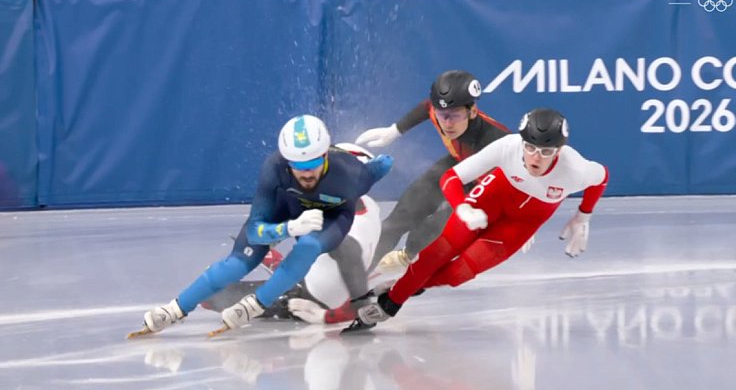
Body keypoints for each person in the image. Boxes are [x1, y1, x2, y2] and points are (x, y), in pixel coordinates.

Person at [347, 108, 609, 330]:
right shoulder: (507, 148)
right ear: (521, 142)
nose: (535, 158)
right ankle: (388, 306)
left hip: (522, 223)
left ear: (559, 151)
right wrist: (461, 208)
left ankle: (402, 284)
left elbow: (602, 177)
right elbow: (450, 178)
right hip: (492, 199)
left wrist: (583, 216)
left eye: (545, 151)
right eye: (529, 147)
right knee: (436, 253)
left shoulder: (575, 169)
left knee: (458, 274)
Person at [131, 115, 393, 337]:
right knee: (236, 263)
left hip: (330, 217)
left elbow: (378, 169)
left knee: (309, 246)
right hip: (287, 210)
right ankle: (174, 309)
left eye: (313, 164)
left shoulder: (352, 176)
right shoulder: (273, 168)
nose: (307, 174)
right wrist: (287, 229)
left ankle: (257, 303)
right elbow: (257, 229)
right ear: (286, 161)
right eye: (298, 166)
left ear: (326, 156)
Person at [200, 144, 403, 325]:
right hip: (322, 279)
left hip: (313, 294)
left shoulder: (330, 208)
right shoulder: (369, 207)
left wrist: (336, 313)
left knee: (212, 295)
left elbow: (349, 253)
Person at [355, 70, 509, 274]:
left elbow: (528, 173)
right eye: (442, 115)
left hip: (485, 187)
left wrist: (517, 216)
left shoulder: (499, 142)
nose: (447, 123)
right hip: (457, 165)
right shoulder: (438, 112)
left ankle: (411, 258)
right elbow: (427, 107)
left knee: (428, 233)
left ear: (473, 111)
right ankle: (355, 278)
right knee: (397, 221)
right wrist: (394, 130)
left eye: (455, 115)